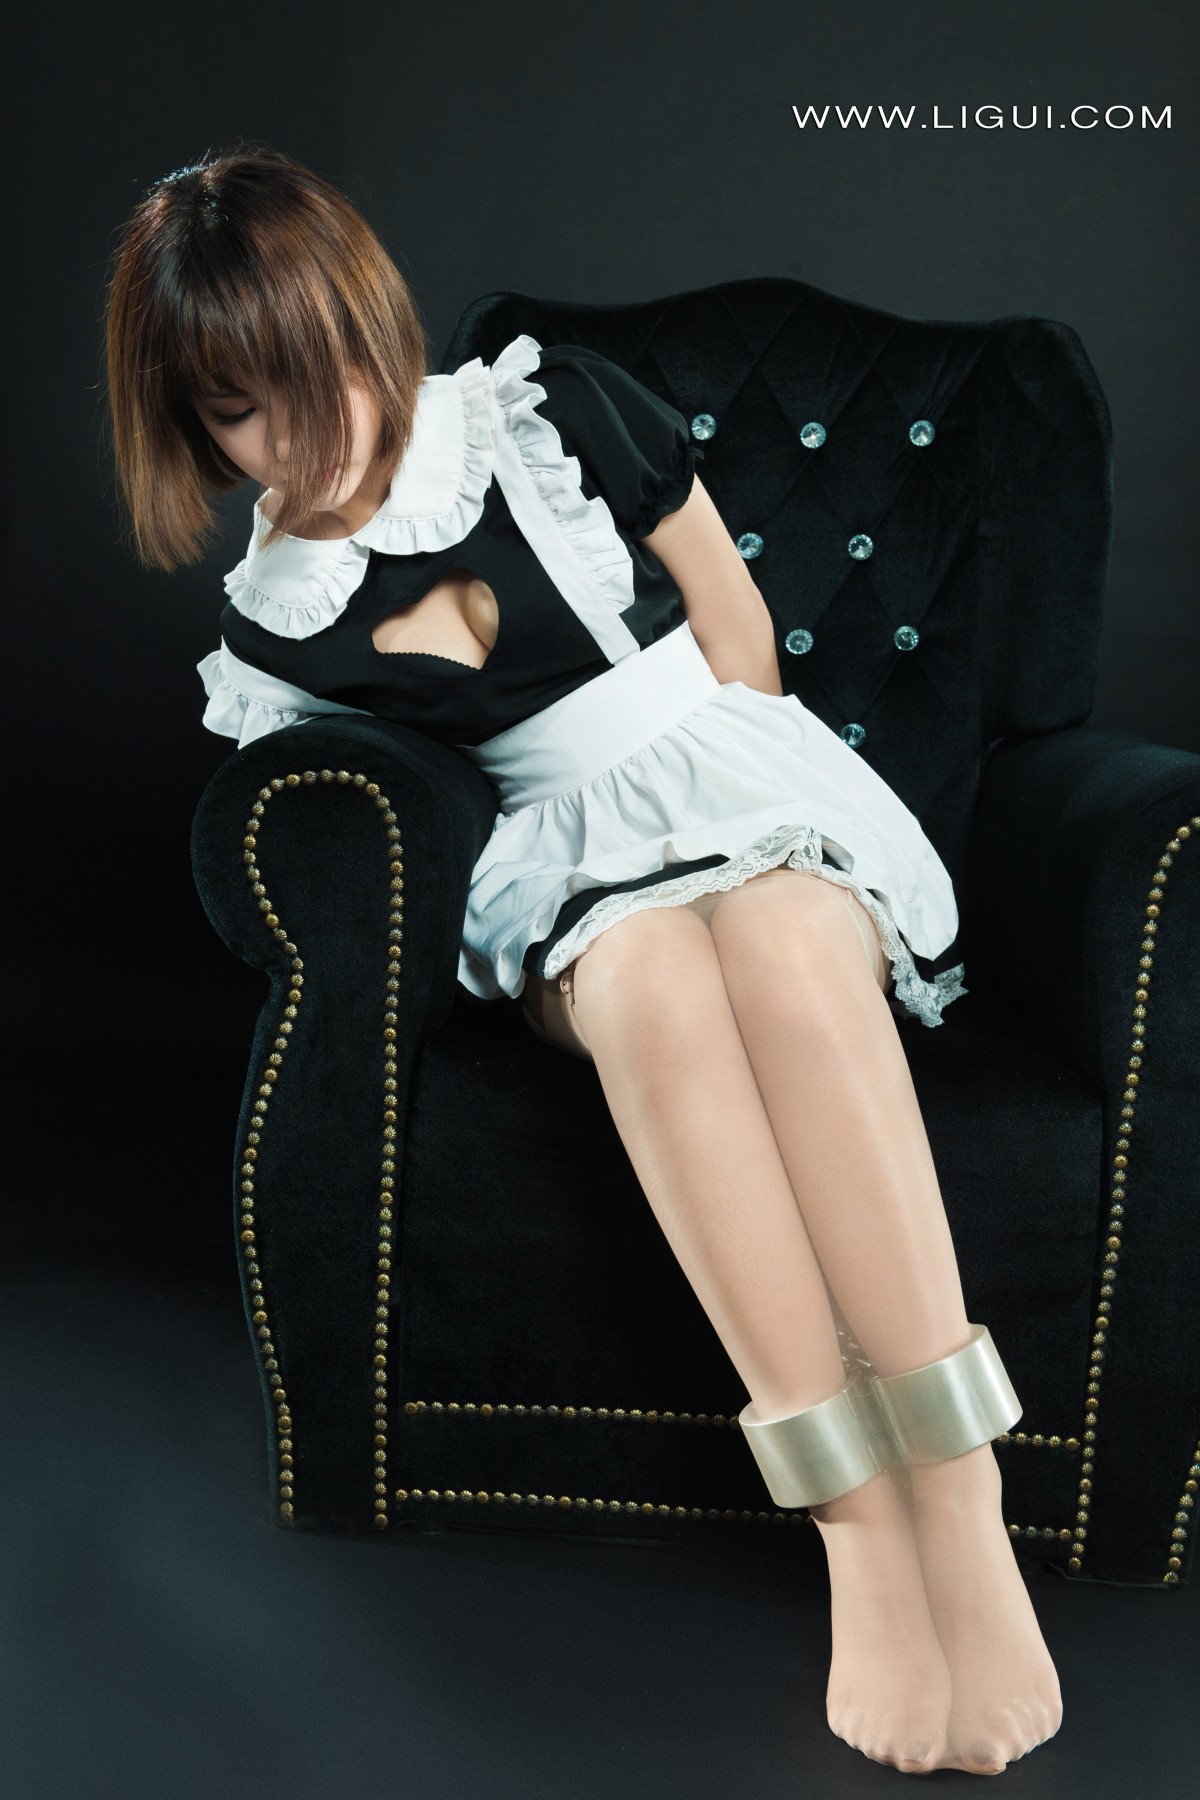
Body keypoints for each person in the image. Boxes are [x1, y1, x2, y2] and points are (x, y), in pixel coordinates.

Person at [103, 143, 1062, 1776]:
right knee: (651, 983)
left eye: (321, 378)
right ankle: (855, 1526)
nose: (302, 436)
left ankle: (959, 1496)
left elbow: (735, 631)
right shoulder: (275, 619)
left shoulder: (544, 413)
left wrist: (749, 819)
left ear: (369, 320)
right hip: (559, 865)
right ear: (191, 422)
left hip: (727, 765)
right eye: (243, 412)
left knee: (783, 943)